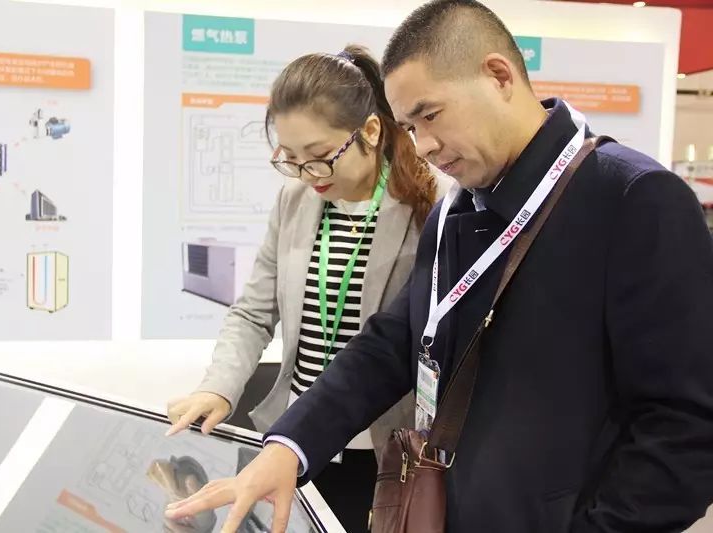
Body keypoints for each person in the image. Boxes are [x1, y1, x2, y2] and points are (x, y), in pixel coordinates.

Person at [164, 1, 713, 532]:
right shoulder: (459, 206)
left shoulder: (633, 198)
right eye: (409, 126)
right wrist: (290, 446)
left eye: (430, 115)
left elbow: (686, 426)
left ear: (498, 76)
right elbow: (395, 342)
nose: (423, 145)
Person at [165, 44, 457, 532]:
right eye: (291, 158)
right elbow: (253, 312)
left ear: (370, 131)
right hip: (290, 442)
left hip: (381, 454)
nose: (306, 175)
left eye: (320, 157)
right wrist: (218, 387)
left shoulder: (432, 205)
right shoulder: (295, 201)